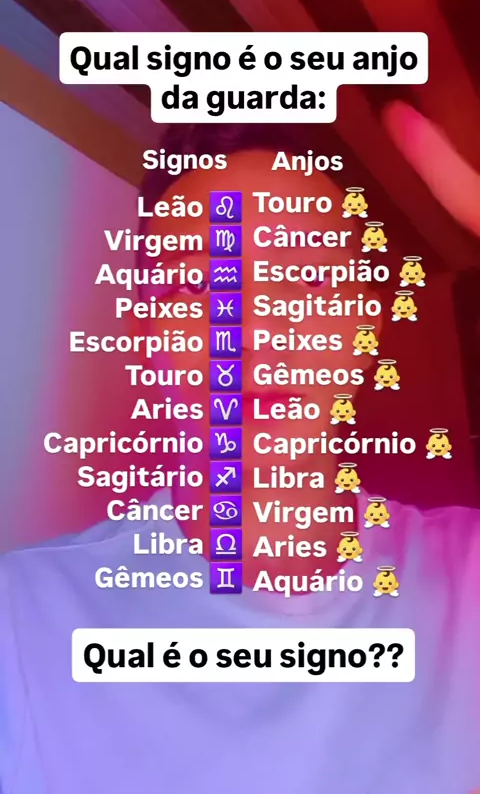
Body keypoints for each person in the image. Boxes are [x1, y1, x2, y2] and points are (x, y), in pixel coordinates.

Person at [0, 115, 479, 794]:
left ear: (366, 331)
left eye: (307, 282)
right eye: (198, 287)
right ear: (145, 336)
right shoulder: (22, 622)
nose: (252, 329)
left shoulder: (467, 578)